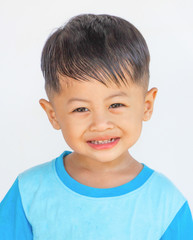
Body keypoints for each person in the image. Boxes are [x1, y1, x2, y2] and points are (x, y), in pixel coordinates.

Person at [0, 14, 192, 240]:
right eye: (81, 109)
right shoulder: (28, 192)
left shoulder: (167, 204)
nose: (100, 124)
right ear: (53, 115)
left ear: (146, 106)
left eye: (116, 104)